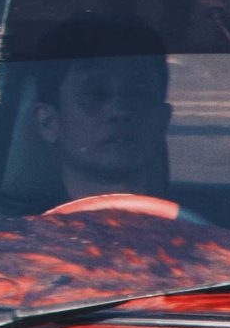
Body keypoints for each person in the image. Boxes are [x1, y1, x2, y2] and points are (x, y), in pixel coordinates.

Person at [26, 16, 175, 208]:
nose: (120, 111)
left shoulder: (197, 233)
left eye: (138, 93)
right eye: (94, 94)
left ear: (163, 121)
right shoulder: (15, 235)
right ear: (48, 122)